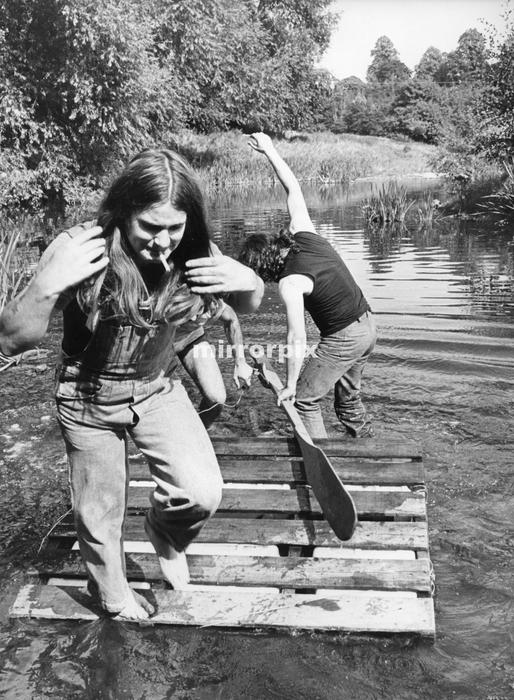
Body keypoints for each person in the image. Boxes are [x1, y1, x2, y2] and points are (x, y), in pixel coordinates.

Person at [0, 148, 263, 620]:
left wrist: (251, 281)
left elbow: (243, 306)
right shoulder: (80, 247)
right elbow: (11, 339)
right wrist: (45, 285)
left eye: (174, 227)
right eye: (150, 227)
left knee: (202, 492)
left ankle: (165, 531)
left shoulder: (194, 250)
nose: (163, 242)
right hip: (87, 397)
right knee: (100, 514)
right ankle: (113, 597)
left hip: (155, 387)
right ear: (123, 210)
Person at [239, 133, 376, 439]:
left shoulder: (290, 282)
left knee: (303, 400)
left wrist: (290, 385)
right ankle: (367, 449)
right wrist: (270, 150)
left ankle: (321, 458)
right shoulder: (303, 232)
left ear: (263, 267)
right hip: (368, 326)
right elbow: (293, 187)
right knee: (348, 401)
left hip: (345, 338)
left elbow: (296, 337)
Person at [173, 242, 253, 429]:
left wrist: (240, 362)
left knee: (217, 399)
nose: (195, 317)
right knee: (171, 404)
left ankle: (197, 434)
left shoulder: (213, 300)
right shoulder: (168, 293)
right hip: (158, 344)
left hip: (190, 338)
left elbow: (231, 320)